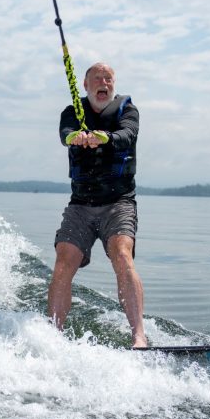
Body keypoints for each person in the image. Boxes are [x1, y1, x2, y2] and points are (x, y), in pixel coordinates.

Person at [47, 62, 147, 348]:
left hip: (118, 203)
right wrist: (73, 137)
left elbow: (127, 134)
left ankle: (139, 335)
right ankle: (53, 335)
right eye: (97, 78)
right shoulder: (72, 112)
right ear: (86, 85)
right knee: (64, 258)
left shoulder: (128, 111)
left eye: (109, 78)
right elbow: (64, 132)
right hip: (80, 204)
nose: (104, 82)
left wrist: (105, 137)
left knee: (122, 254)